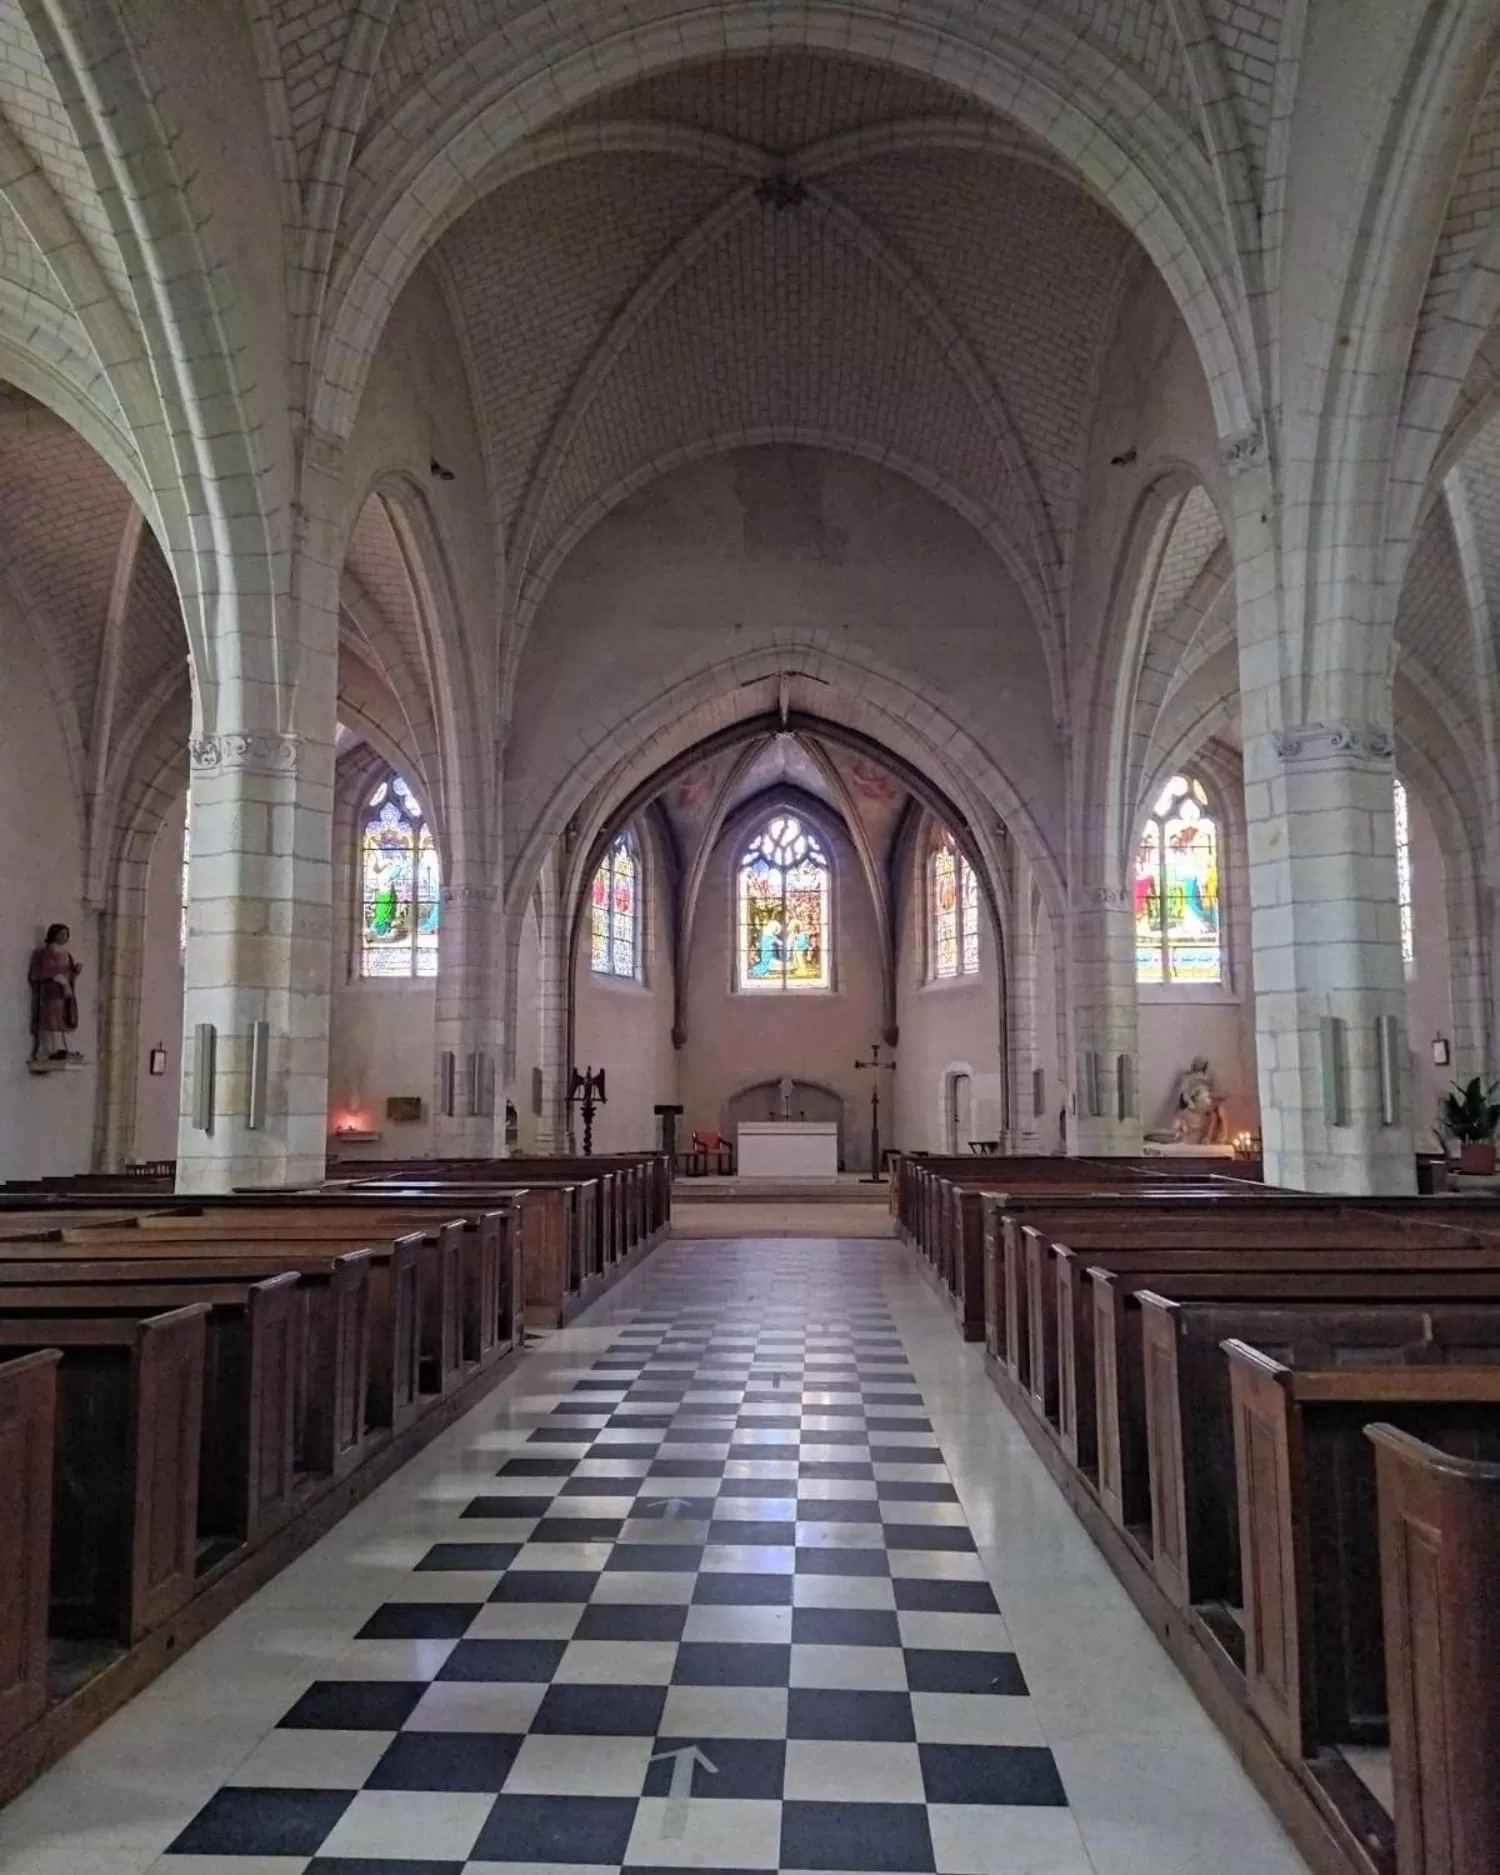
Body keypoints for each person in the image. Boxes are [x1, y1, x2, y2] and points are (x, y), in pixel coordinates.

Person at [29, 923, 81, 1062]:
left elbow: (68, 974)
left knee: (64, 1020)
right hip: (51, 994)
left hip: (64, 995)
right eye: (61, 933)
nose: (64, 937)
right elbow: (37, 974)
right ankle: (48, 1050)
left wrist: (74, 972)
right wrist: (55, 977)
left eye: (66, 934)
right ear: (53, 934)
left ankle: (62, 1049)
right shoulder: (46, 953)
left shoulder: (66, 954)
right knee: (51, 1020)